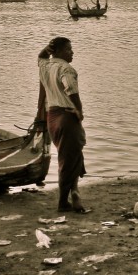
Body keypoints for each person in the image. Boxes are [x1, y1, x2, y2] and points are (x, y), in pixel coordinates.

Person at [37, 37, 89, 213]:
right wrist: (79, 110)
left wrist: (46, 49)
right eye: (68, 49)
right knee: (67, 160)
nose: (72, 52)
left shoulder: (45, 66)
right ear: (58, 52)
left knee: (73, 155)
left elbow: (40, 56)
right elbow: (71, 90)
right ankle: (63, 202)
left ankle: (74, 191)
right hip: (67, 116)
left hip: (52, 117)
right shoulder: (66, 69)